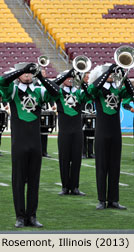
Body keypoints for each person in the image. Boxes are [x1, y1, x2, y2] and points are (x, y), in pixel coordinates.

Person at [0, 62, 60, 228]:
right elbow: (2, 82)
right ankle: (20, 216)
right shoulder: (13, 90)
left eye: (29, 73)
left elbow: (56, 91)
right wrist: (20, 70)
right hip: (19, 142)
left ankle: (32, 216)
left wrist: (39, 75)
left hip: (35, 142)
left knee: (34, 181)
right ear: (19, 75)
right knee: (18, 181)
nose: (27, 75)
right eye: (24, 73)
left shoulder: (39, 91)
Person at [87, 63, 134, 210]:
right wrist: (106, 72)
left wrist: (123, 75)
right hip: (101, 132)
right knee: (101, 167)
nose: (112, 76)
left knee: (115, 166)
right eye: (109, 74)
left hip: (115, 132)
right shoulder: (98, 89)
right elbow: (91, 89)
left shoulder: (118, 89)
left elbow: (131, 92)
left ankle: (114, 200)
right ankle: (102, 200)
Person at [51, 68, 91, 196]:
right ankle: (64, 187)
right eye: (67, 78)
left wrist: (80, 79)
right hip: (64, 130)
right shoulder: (58, 92)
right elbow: (52, 85)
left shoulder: (79, 92)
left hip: (77, 130)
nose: (69, 80)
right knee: (64, 159)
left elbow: (89, 94)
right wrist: (66, 75)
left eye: (71, 78)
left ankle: (75, 187)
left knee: (76, 159)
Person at [81, 72, 95, 159]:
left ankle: (90, 152)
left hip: (91, 112)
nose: (88, 78)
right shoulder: (80, 86)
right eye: (86, 77)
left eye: (89, 77)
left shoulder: (92, 87)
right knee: (83, 133)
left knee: (91, 133)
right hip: (83, 112)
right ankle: (83, 153)